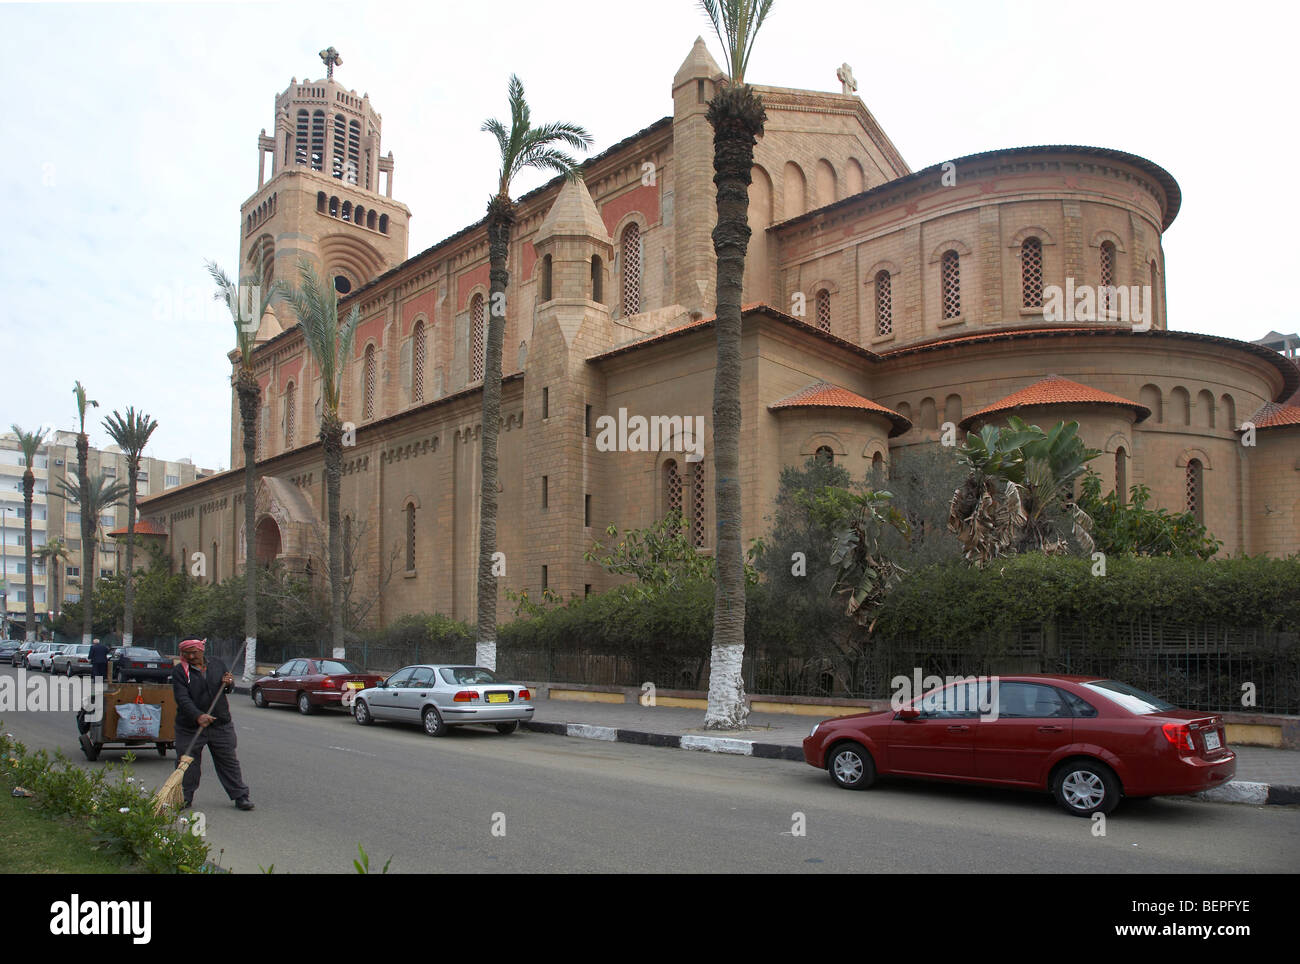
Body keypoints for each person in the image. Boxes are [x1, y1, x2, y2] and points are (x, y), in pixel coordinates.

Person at [170, 639, 254, 811]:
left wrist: (229, 683)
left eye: (195, 652)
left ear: (202, 650)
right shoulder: (180, 672)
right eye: (187, 653)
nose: (191, 656)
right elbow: (182, 698)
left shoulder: (216, 664)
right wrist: (197, 715)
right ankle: (185, 796)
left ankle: (240, 796)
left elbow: (226, 688)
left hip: (220, 723)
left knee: (228, 761)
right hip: (190, 726)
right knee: (188, 763)